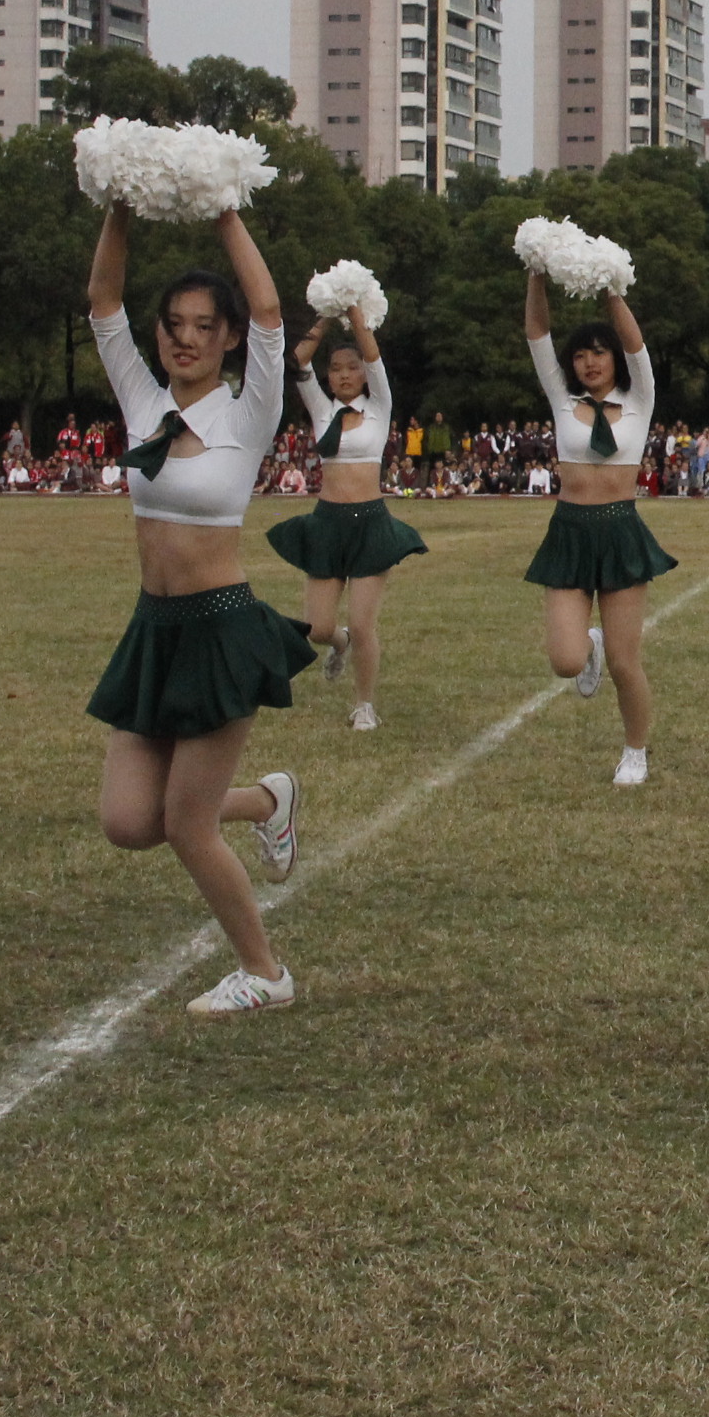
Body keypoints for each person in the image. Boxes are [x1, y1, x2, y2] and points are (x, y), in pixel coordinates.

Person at [84, 203, 312, 1015]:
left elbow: (274, 313)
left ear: (226, 340)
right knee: (125, 821)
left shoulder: (247, 413)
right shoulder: (143, 403)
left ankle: (267, 973)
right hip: (153, 630)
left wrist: (225, 218)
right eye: (174, 325)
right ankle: (265, 801)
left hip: (220, 629)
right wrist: (118, 203)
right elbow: (103, 300)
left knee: (186, 827)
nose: (186, 338)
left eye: (204, 327)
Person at [524, 263, 674, 786]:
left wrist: (612, 288)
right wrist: (537, 274)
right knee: (565, 661)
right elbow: (537, 334)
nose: (589, 363)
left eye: (599, 352)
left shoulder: (638, 399)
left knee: (625, 662)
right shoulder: (562, 401)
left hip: (621, 531)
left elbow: (637, 347)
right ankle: (587, 643)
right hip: (568, 530)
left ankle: (636, 750)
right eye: (581, 355)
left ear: (614, 360)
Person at [269, 303, 428, 732]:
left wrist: (357, 319)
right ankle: (338, 644)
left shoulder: (379, 407)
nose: (342, 375)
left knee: (363, 622)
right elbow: (297, 360)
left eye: (350, 368)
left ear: (362, 374)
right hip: (326, 522)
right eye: (335, 368)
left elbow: (374, 357)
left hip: (370, 524)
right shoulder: (322, 409)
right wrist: (324, 315)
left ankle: (364, 705)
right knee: (319, 629)